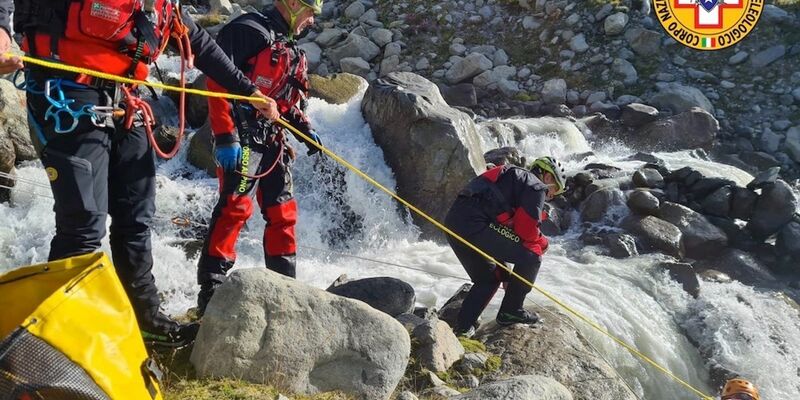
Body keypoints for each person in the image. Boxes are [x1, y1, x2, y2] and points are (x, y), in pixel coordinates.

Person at [0, 0, 280, 347]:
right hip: (64, 98)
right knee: (83, 224)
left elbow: (200, 44)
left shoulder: (162, 4)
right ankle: (59, 338)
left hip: (125, 103)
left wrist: (248, 91)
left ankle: (144, 319)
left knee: (136, 218)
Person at [195, 0, 324, 316]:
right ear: (293, 4)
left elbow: (282, 100)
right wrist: (225, 135)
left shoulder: (288, 46)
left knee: (284, 214)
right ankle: (210, 293)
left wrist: (303, 128)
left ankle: (285, 292)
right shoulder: (247, 30)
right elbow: (216, 80)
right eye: (310, 13)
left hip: (272, 139)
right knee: (235, 209)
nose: (311, 21)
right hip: (240, 136)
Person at [445, 156, 567, 337]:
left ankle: (463, 329)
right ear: (547, 177)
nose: (551, 196)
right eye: (554, 190)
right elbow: (526, 231)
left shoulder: (512, 179)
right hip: (477, 225)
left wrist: (506, 271)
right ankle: (511, 311)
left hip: (455, 223)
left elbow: (497, 228)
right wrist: (543, 242)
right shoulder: (535, 186)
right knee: (532, 256)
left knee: (490, 277)